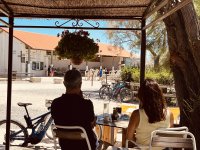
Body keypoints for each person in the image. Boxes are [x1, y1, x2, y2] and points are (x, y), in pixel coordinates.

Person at [51, 70, 98, 150]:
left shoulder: (55, 103)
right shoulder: (86, 104)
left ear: (64, 84)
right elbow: (92, 124)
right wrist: (81, 99)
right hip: (86, 146)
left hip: (65, 146)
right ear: (80, 84)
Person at [126, 78, 174, 149]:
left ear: (142, 96)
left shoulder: (137, 114)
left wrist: (139, 143)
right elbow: (170, 137)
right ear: (159, 95)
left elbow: (129, 137)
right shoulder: (169, 114)